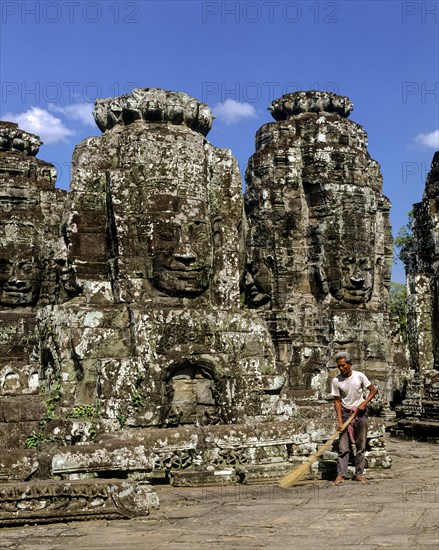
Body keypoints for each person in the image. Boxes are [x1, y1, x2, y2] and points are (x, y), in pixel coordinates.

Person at [331, 351, 377, 485]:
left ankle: (359, 473)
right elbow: (337, 402)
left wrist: (364, 403)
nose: (341, 368)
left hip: (360, 413)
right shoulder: (336, 380)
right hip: (346, 414)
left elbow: (373, 390)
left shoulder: (359, 376)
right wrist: (340, 422)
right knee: (343, 447)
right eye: (339, 366)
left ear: (350, 364)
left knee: (360, 444)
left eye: (343, 365)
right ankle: (341, 474)